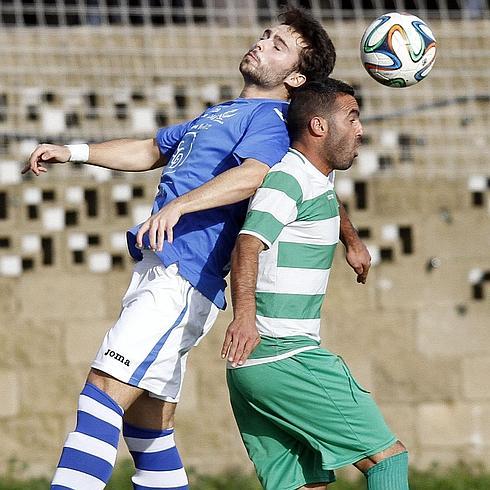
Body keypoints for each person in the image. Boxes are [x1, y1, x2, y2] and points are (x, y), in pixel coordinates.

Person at [22, 8, 369, 490]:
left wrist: (180, 206)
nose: (261, 42)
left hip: (184, 278)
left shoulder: (273, 120)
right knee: (148, 428)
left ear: (295, 76)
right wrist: (74, 151)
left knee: (102, 392)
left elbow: (256, 174)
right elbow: (149, 150)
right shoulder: (221, 113)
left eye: (277, 44)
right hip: (161, 271)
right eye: (265, 34)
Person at [222, 79, 409, 490]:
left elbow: (326, 198)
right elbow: (248, 243)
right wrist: (245, 316)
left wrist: (353, 240)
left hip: (253, 369)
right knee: (388, 460)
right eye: (352, 118)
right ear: (319, 127)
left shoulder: (312, 177)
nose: (360, 129)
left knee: (306, 487)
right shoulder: (286, 179)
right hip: (285, 354)